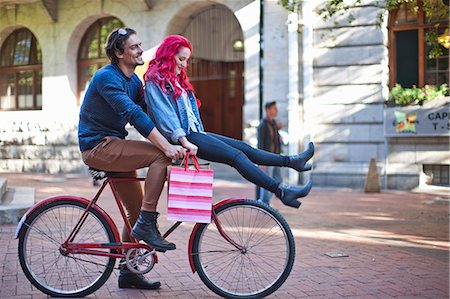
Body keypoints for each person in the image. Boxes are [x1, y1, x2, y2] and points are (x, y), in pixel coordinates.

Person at [143, 35, 314, 209]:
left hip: (195, 133)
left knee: (244, 148)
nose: (184, 64)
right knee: (237, 157)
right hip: (184, 137)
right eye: (181, 59)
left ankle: (293, 162)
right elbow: (166, 116)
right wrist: (184, 141)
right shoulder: (154, 81)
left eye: (186, 60)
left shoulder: (175, 80)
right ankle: (281, 190)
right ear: (168, 55)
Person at [78, 28, 186, 290]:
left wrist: (181, 136)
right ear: (119, 52)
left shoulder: (135, 82)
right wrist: (166, 148)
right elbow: (134, 114)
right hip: (98, 147)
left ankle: (127, 272)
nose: (140, 51)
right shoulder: (106, 77)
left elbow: (150, 112)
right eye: (135, 47)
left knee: (135, 213)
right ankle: (149, 223)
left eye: (140, 45)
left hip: (116, 146)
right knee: (160, 156)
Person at [257, 101, 292, 205]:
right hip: (266, 158)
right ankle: (264, 203)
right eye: (274, 108)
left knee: (278, 180)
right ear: (268, 110)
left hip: (275, 157)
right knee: (267, 182)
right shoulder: (263, 125)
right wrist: (260, 161)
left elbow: (276, 140)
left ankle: (265, 201)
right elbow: (261, 143)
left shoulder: (274, 124)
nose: (276, 111)